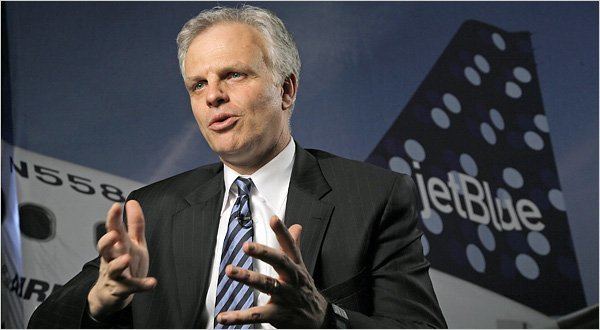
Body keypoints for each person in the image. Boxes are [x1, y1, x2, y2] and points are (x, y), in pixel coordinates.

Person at [28, 5, 446, 329]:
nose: (213, 96)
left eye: (233, 75)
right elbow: (42, 323)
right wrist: (99, 305)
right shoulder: (152, 210)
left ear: (286, 89)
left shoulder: (374, 197)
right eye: (198, 84)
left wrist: (324, 319)